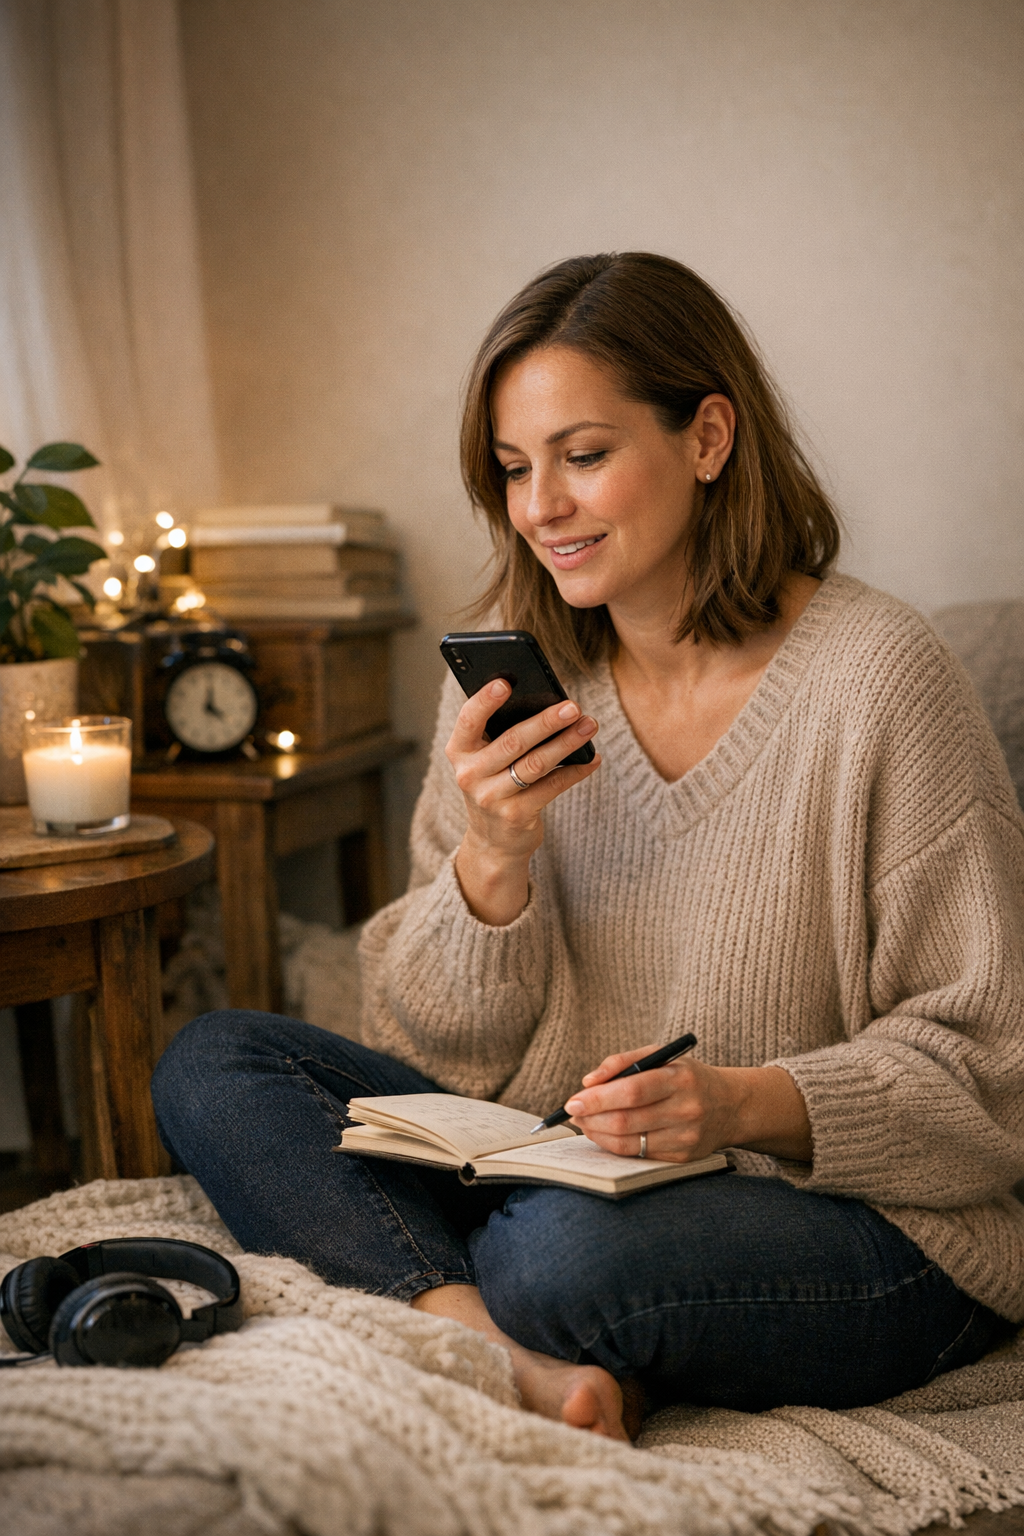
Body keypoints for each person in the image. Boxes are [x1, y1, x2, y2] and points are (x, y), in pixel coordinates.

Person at [153, 253, 1024, 1443]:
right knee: (213, 1059)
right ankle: (499, 1353)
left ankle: (481, 1302)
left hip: (863, 1227)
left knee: (558, 1258)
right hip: (561, 1169)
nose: (539, 507)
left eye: (584, 454)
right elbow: (421, 1049)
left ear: (708, 436)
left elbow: (989, 1074)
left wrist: (734, 1105)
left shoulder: (880, 679)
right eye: (514, 469)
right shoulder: (525, 687)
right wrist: (493, 861)